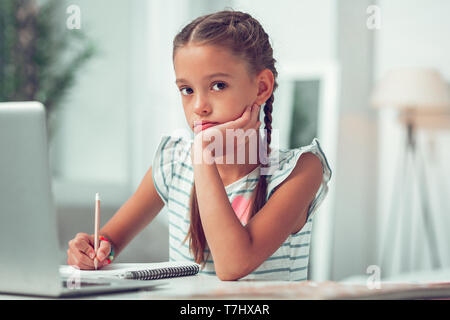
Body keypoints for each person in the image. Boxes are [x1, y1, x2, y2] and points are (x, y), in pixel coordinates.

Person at [67, 9, 332, 281]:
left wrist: (203, 157)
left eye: (218, 85)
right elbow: (109, 244)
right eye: (187, 90)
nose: (199, 107)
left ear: (262, 87)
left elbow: (232, 265)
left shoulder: (300, 171)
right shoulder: (173, 163)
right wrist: (92, 252)